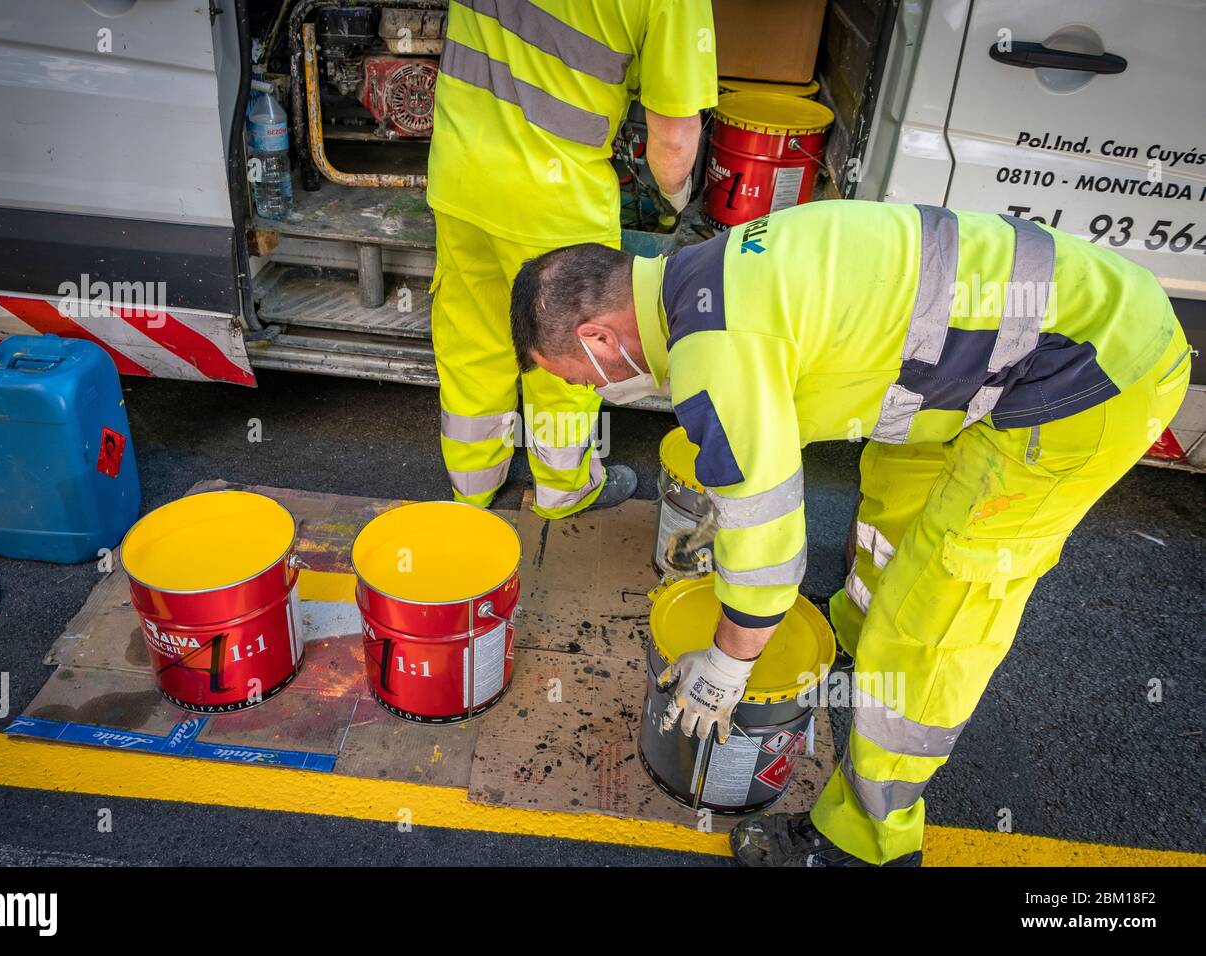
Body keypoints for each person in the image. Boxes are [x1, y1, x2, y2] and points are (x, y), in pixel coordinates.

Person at [508, 199, 1192, 865]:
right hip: (1000, 351)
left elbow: (766, 545)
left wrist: (726, 665)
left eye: (576, 378)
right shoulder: (702, 274)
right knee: (893, 487)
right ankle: (858, 634)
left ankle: (870, 835)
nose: (592, 391)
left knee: (940, 607)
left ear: (599, 337)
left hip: (1087, 373)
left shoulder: (713, 350)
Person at [427, 0, 716, 517]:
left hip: (461, 174)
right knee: (567, 353)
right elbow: (672, 140)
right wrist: (675, 209)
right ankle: (563, 489)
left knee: (472, 337)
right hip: (556, 205)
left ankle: (471, 488)